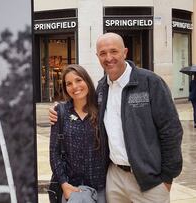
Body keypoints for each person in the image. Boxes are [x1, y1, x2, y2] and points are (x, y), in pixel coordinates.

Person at [49, 32, 183, 203]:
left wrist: (167, 178)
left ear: (125, 52)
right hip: (114, 178)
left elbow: (171, 131)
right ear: (98, 57)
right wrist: (56, 109)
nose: (109, 57)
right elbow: (79, 105)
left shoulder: (150, 82)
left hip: (150, 180)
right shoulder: (101, 89)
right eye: (103, 53)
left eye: (114, 51)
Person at [50, 64, 108, 203]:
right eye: (68, 83)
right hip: (72, 189)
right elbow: (54, 152)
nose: (74, 86)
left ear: (87, 81)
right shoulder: (61, 112)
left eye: (78, 80)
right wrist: (64, 184)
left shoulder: (102, 109)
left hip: (101, 187)